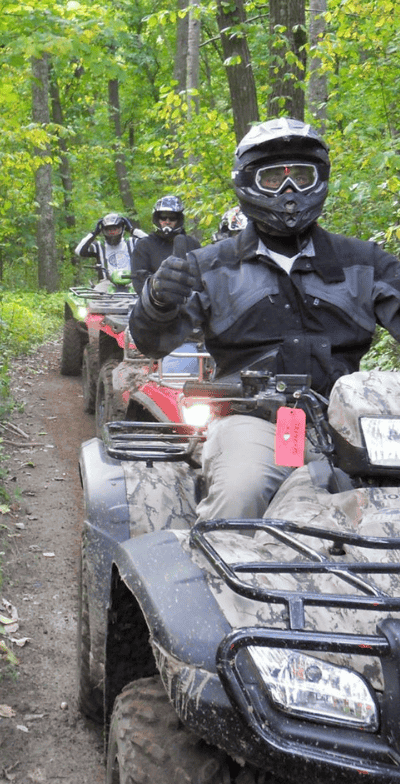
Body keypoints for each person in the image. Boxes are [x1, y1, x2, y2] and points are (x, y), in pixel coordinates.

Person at [128, 117, 400, 522]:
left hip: (356, 425)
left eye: (301, 177)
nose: (289, 191)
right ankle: (220, 580)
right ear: (248, 182)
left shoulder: (364, 261)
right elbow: (152, 343)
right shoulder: (209, 266)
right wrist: (157, 299)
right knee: (243, 493)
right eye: (274, 178)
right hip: (254, 422)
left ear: (320, 180)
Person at [130, 195, 201, 296]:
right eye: (163, 217)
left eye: (172, 218)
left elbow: (202, 277)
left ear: (179, 219)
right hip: (156, 304)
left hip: (190, 301)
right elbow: (139, 283)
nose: (167, 222)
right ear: (157, 219)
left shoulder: (192, 243)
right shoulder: (144, 246)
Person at [74, 212, 144, 282]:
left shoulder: (132, 242)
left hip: (131, 282)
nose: (112, 233)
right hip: (106, 283)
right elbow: (79, 251)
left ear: (122, 229)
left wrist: (132, 230)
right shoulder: (99, 246)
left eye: (115, 230)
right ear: (103, 231)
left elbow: (151, 243)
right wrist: (94, 233)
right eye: (109, 230)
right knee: (96, 291)